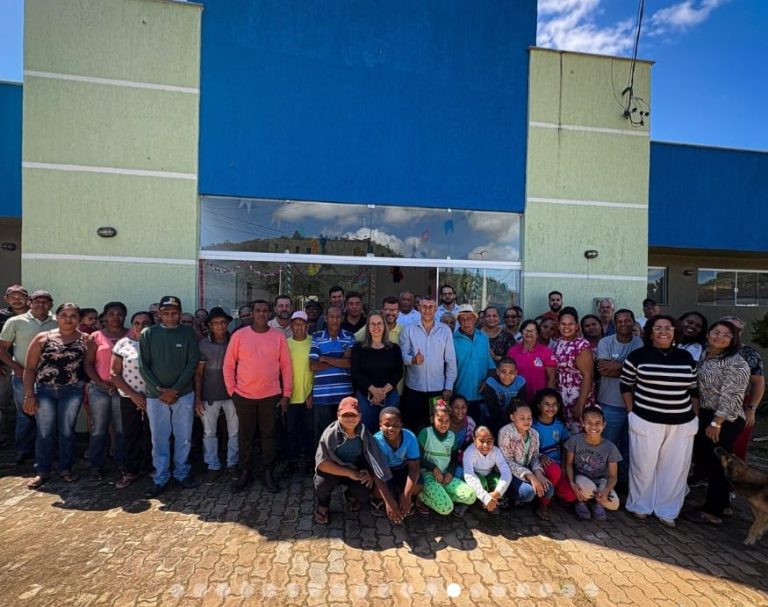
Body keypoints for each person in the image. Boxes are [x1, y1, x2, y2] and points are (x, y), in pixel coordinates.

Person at [620, 315, 699, 528]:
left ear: (674, 332)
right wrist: (631, 412)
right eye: (658, 328)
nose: (663, 332)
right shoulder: (638, 356)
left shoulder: (685, 357)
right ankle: (640, 505)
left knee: (675, 468)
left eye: (668, 328)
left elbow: (693, 389)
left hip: (681, 422)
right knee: (643, 465)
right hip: (646, 418)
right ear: (650, 332)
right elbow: (626, 385)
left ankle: (667, 510)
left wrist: (695, 417)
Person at [224, 299, 292, 493]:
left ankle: (268, 471)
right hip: (243, 396)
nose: (261, 314)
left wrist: (286, 394)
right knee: (245, 436)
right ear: (252, 313)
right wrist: (232, 391)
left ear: (270, 314)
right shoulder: (239, 335)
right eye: (258, 310)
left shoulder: (278, 336)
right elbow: (228, 365)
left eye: (265, 310)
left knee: (268, 436)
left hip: (271, 396)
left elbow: (286, 367)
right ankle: (245, 471)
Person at [139, 296, 201, 498]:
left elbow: (192, 363)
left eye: (174, 313)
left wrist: (175, 390)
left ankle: (182, 473)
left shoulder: (188, 333)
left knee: (184, 437)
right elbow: (143, 366)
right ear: (159, 314)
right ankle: (161, 477)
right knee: (159, 438)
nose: (170, 316)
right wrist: (161, 391)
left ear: (180, 313)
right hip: (156, 396)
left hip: (183, 394)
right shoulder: (148, 333)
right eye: (166, 313)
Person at [691, 320, 750, 526]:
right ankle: (723, 505)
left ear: (734, 339)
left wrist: (716, 423)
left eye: (726, 335)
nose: (720, 337)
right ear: (708, 334)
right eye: (716, 332)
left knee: (717, 464)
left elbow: (732, 396)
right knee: (713, 461)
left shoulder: (736, 362)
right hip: (708, 413)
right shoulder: (706, 356)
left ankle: (712, 512)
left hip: (725, 419)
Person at [24, 303, 89, 489]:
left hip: (72, 391)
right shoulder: (42, 338)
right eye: (64, 315)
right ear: (57, 317)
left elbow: (89, 365)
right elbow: (30, 368)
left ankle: (66, 469)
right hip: (45, 391)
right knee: (44, 432)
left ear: (79, 319)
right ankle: (42, 471)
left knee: (67, 431)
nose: (68, 319)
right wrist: (29, 395)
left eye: (73, 315)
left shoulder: (86, 339)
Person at [314, 397, 399, 525]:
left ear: (360, 416)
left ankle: (350, 495)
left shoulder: (364, 433)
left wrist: (369, 473)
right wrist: (350, 473)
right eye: (345, 415)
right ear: (338, 415)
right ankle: (323, 505)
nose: (349, 419)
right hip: (334, 471)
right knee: (322, 483)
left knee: (365, 489)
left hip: (356, 470)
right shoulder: (331, 433)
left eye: (353, 415)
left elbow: (375, 460)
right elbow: (322, 464)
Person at [0, 289, 57, 464]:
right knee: (25, 414)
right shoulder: (15, 321)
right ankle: (23, 450)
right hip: (22, 376)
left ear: (51, 304)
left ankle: (48, 450)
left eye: (45, 302)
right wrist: (16, 368)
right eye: (37, 301)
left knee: (48, 415)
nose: (41, 305)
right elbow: (2, 349)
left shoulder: (57, 322)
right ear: (30, 303)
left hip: (50, 379)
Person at [595, 309, 643, 485]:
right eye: (620, 321)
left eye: (627, 320)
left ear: (634, 323)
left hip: (635, 405)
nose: (624, 324)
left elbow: (641, 372)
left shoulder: (639, 342)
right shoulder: (605, 342)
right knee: (608, 445)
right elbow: (603, 369)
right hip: (609, 403)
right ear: (615, 324)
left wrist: (618, 366)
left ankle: (624, 482)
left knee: (630, 447)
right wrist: (629, 368)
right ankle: (604, 482)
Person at [84, 301, 129, 480]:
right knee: (99, 429)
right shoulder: (96, 336)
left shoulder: (131, 334)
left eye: (119, 314)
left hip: (123, 389)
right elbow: (88, 364)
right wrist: (100, 382)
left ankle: (122, 464)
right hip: (99, 389)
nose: (116, 317)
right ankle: (96, 466)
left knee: (121, 429)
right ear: (105, 316)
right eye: (111, 314)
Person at [399, 295, 457, 432]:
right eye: (424, 306)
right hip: (414, 389)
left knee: (437, 427)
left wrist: (449, 386)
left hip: (438, 390)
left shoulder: (445, 331)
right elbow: (401, 356)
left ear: (436, 309)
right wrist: (412, 360)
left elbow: (451, 361)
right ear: (419, 308)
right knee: (412, 426)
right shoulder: (409, 330)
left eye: (431, 307)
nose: (427, 310)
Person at [195, 307, 239, 482]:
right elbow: (198, 374)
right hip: (209, 395)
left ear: (227, 323)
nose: (220, 326)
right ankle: (212, 465)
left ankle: (232, 464)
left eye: (222, 322)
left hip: (233, 395)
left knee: (234, 432)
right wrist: (198, 398)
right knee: (209, 433)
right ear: (210, 326)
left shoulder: (235, 341)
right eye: (215, 323)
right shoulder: (203, 344)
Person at [111, 311, 154, 489]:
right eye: (137, 323)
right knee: (131, 434)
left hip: (154, 398)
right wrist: (134, 395)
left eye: (145, 323)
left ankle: (152, 467)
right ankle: (131, 471)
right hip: (130, 397)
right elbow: (114, 374)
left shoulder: (158, 343)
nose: (140, 326)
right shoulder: (123, 344)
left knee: (153, 434)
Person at [416, 400, 476, 517]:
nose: (444, 424)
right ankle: (421, 495)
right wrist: (434, 469)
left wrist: (450, 473)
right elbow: (418, 457)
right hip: (428, 476)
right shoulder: (425, 433)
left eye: (447, 421)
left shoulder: (451, 436)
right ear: (432, 419)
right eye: (440, 420)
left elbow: (454, 458)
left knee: (471, 496)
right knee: (446, 508)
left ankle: (442, 493)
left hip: (444, 476)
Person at [563, 407, 622, 521]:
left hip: (600, 482)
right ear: (582, 423)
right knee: (587, 487)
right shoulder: (575, 441)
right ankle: (581, 502)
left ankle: (597, 503)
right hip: (581, 478)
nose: (593, 427)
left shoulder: (610, 448)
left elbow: (613, 476)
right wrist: (571, 482)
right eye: (589, 423)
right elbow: (568, 464)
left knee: (614, 504)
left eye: (597, 423)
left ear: (604, 425)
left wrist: (606, 491)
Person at [498, 400, 553, 519]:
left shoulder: (534, 434)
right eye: (522, 418)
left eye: (529, 418)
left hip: (527, 469)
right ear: (512, 417)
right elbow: (507, 461)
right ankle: (508, 494)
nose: (527, 421)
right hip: (509, 473)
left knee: (549, 489)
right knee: (528, 493)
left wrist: (538, 474)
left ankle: (534, 501)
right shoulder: (505, 433)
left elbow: (534, 456)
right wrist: (530, 476)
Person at [309, 306, 356, 447]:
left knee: (344, 434)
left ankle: (341, 460)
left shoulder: (349, 336)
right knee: (322, 435)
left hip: (344, 396)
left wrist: (325, 358)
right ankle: (322, 460)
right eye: (331, 317)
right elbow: (313, 365)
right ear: (326, 318)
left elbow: (350, 363)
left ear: (342, 318)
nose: (335, 320)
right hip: (322, 396)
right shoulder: (317, 337)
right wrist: (339, 360)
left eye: (338, 317)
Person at [351, 313, 403, 433]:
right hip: (365, 398)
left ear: (384, 326)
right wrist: (373, 390)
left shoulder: (394, 348)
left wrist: (383, 392)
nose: (376, 327)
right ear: (368, 327)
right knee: (366, 433)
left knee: (389, 434)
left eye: (379, 323)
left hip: (390, 397)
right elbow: (355, 373)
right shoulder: (358, 348)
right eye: (372, 324)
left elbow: (398, 372)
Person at [723, 316, 765, 462]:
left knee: (736, 446)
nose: (733, 332)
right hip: (710, 404)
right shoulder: (708, 350)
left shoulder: (749, 354)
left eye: (738, 329)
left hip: (739, 404)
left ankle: (734, 474)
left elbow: (758, 383)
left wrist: (751, 409)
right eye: (728, 327)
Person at [372, 407, 422, 518]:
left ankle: (402, 496)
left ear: (401, 425)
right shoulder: (375, 441)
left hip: (403, 468)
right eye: (387, 425)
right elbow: (377, 473)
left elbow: (414, 468)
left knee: (418, 488)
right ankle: (392, 497)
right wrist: (389, 501)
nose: (391, 429)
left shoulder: (410, 437)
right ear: (380, 426)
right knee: (377, 492)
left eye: (396, 425)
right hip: (385, 471)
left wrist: (406, 495)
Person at [553, 307, 595, 433]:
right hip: (562, 396)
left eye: (570, 324)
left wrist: (580, 403)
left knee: (578, 434)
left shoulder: (581, 345)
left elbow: (588, 375)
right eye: (563, 324)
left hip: (578, 397)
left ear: (576, 326)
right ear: (558, 326)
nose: (566, 327)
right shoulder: (557, 343)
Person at [532, 388, 576, 506]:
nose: (551, 408)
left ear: (559, 406)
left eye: (554, 404)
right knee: (554, 471)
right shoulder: (533, 425)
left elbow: (564, 446)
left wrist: (564, 465)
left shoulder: (559, 424)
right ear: (539, 406)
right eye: (546, 404)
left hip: (558, 464)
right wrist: (540, 456)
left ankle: (551, 491)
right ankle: (543, 504)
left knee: (571, 496)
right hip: (541, 463)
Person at [452, 304, 495, 426]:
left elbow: (490, 364)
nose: (466, 322)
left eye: (469, 318)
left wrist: (487, 381)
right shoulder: (452, 340)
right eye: (462, 319)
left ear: (475, 319)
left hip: (481, 395)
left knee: (480, 430)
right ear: (458, 321)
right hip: (461, 394)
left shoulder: (483, 338)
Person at [0, 285, 29, 445]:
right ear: (6, 299)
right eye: (13, 297)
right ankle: (6, 437)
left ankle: (24, 439)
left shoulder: (35, 315)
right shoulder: (1, 316)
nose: (17, 300)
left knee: (25, 403)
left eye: (20, 296)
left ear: (27, 298)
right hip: (4, 365)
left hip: (27, 365)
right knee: (4, 402)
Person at [286, 311, 314, 472]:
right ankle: (292, 462)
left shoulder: (314, 342)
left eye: (302, 324)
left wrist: (313, 393)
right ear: (291, 326)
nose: (299, 327)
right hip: (290, 396)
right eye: (296, 324)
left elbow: (318, 370)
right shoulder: (285, 343)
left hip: (308, 396)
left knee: (309, 431)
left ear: (307, 326)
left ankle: (310, 461)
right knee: (291, 432)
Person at [463, 426, 512, 515]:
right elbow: (469, 475)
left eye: (489, 441)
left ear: (493, 440)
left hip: (489, 475)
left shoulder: (496, 451)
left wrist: (497, 493)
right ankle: (483, 502)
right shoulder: (469, 452)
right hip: (476, 476)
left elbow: (506, 472)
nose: (485, 445)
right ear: (474, 440)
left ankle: (493, 500)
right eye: (481, 441)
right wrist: (485, 497)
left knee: (498, 481)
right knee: (482, 482)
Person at [507, 320, 557, 405]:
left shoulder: (546, 352)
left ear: (537, 334)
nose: (529, 333)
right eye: (526, 331)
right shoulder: (512, 351)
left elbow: (551, 378)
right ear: (521, 333)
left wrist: (547, 399)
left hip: (539, 399)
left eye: (533, 331)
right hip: (517, 398)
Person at [481, 358, 526, 436]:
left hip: (513, 418)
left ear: (516, 373)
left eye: (511, 372)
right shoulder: (491, 383)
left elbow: (519, 405)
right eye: (503, 372)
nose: (507, 376)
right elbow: (493, 408)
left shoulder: (521, 382)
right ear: (497, 371)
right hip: (494, 418)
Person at [447, 394, 475, 478]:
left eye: (463, 407)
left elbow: (470, 445)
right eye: (456, 407)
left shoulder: (470, 422)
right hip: (443, 460)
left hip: (458, 459)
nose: (460, 411)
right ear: (450, 408)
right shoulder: (444, 423)